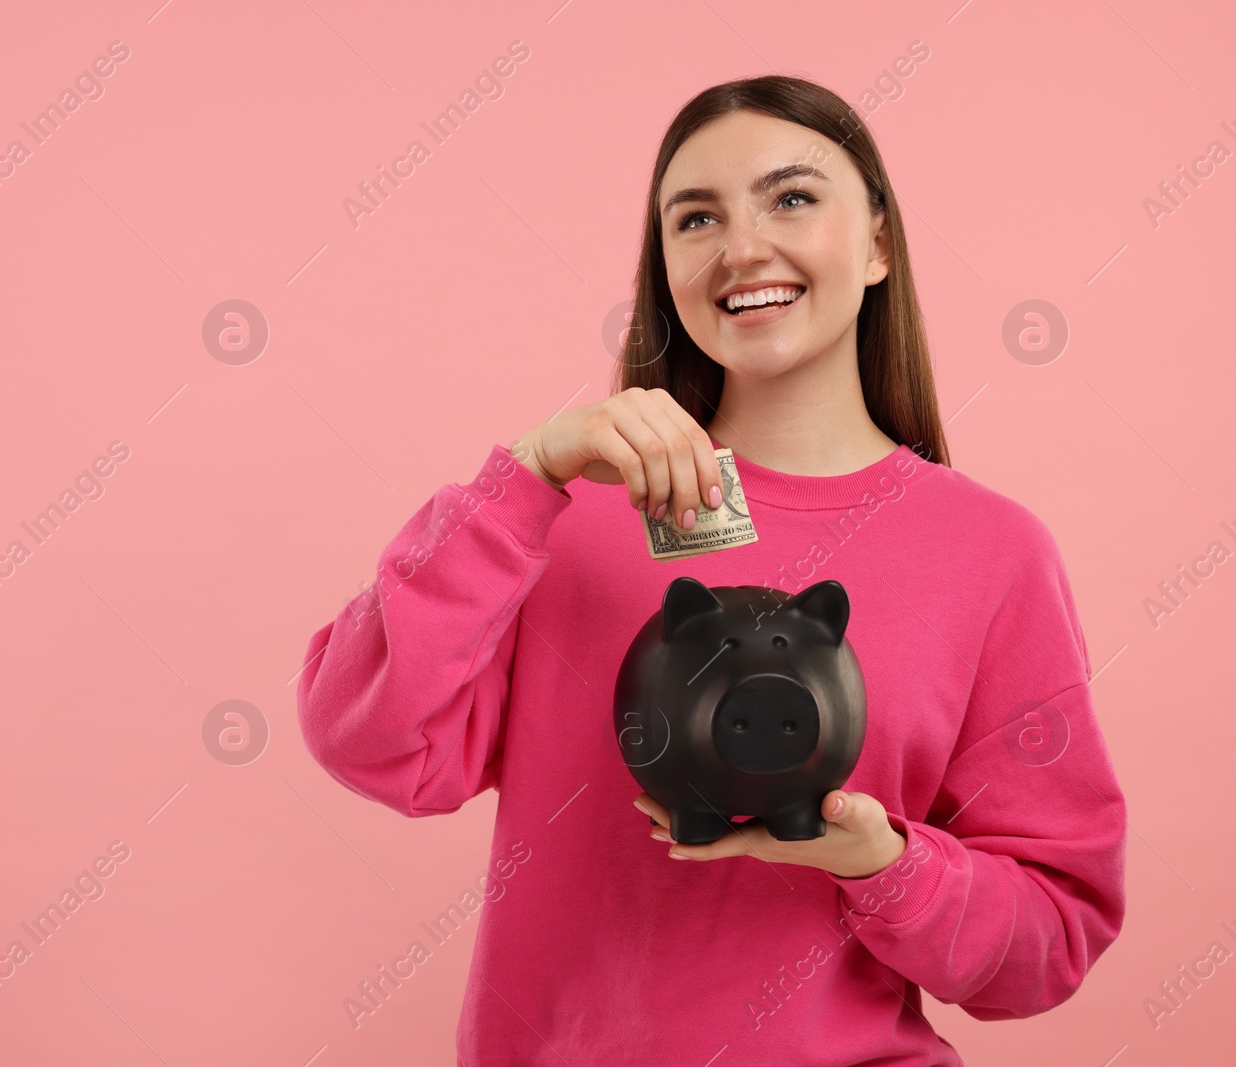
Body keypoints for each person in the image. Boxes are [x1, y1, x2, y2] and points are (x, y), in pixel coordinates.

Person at [295, 75, 1126, 1066]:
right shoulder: (556, 519)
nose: (740, 248)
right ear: (664, 267)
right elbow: (367, 737)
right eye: (696, 218)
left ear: (876, 244)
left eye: (791, 197)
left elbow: (1046, 942)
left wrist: (883, 863)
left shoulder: (991, 552)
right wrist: (522, 477)